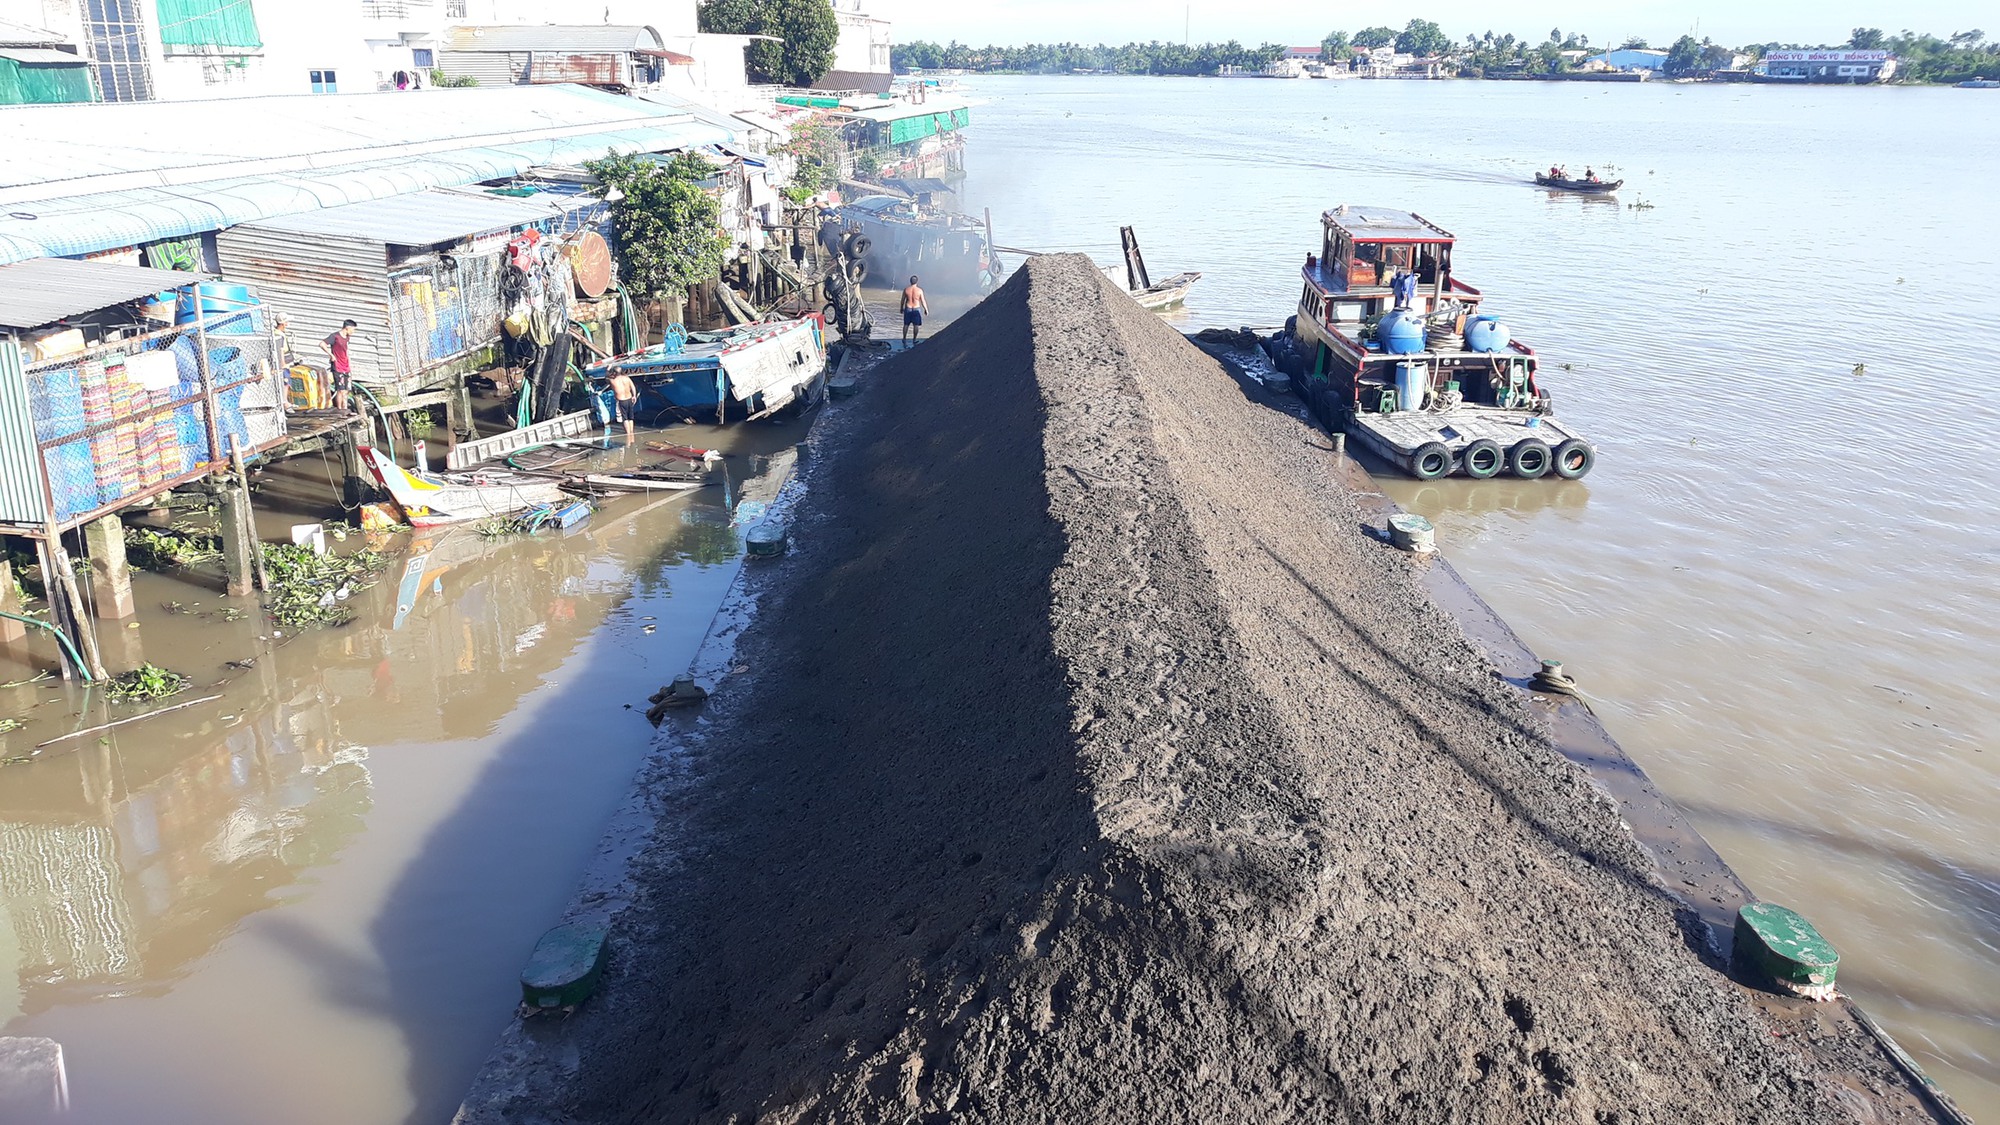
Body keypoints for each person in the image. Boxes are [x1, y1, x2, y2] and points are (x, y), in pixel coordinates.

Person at [321, 319, 357, 413]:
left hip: (346, 366)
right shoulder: (335, 336)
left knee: (346, 390)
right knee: (340, 390)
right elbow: (322, 344)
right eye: (353, 329)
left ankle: (345, 409)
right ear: (347, 328)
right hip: (337, 366)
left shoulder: (347, 337)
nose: (353, 332)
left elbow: (346, 350)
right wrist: (331, 355)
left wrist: (349, 363)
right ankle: (340, 410)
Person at [607, 371, 638, 440]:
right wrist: (634, 396)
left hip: (621, 400)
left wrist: (608, 369)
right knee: (630, 417)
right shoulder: (627, 378)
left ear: (614, 373)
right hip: (629, 398)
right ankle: (631, 433)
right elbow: (633, 387)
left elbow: (606, 377)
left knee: (625, 418)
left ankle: (628, 434)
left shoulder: (613, 380)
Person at [900, 275, 929, 347]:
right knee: (916, 325)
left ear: (910, 281)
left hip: (908, 308)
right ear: (917, 282)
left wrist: (901, 308)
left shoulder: (906, 289)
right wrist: (926, 309)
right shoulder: (919, 290)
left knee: (906, 324)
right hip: (916, 308)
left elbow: (902, 300)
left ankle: (904, 338)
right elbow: (923, 301)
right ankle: (914, 339)